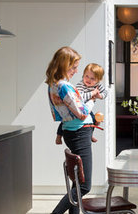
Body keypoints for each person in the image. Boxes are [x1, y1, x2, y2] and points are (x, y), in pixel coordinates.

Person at [45, 46, 95, 214]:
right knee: (84, 185)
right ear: (63, 65)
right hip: (79, 133)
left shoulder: (53, 84)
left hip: (73, 132)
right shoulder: (64, 86)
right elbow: (81, 113)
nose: (76, 70)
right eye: (73, 67)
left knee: (78, 183)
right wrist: (92, 99)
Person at [55, 63, 108, 144]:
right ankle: (59, 136)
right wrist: (92, 94)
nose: (88, 80)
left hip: (88, 109)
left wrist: (99, 96)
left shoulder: (97, 86)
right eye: (86, 76)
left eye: (92, 78)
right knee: (65, 121)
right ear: (83, 75)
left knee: (93, 120)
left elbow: (105, 93)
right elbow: (80, 97)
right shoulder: (81, 85)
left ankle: (90, 135)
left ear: (98, 80)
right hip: (78, 107)